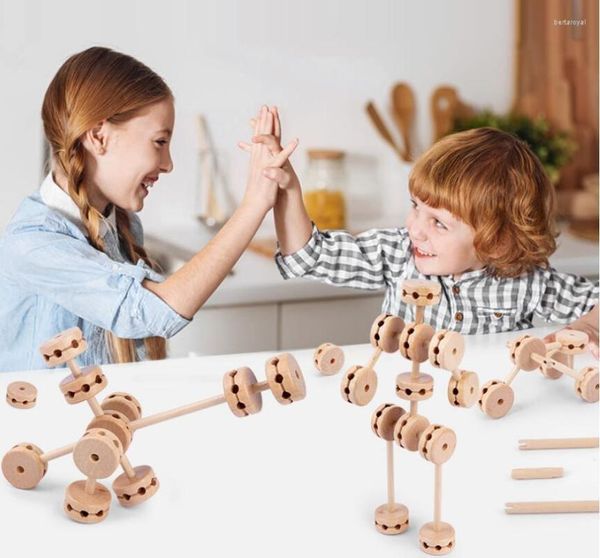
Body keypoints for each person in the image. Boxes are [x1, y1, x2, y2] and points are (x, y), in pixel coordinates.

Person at [0, 47, 297, 371]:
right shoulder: (32, 244)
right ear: (98, 136)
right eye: (159, 142)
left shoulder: (123, 225)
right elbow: (151, 312)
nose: (168, 164)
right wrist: (253, 206)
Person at [242, 114, 599, 355]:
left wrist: (588, 327)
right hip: (403, 414)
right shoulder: (398, 254)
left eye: (439, 223)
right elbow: (309, 256)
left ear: (498, 240)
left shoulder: (528, 282)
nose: (415, 228)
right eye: (415, 207)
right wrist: (287, 190)